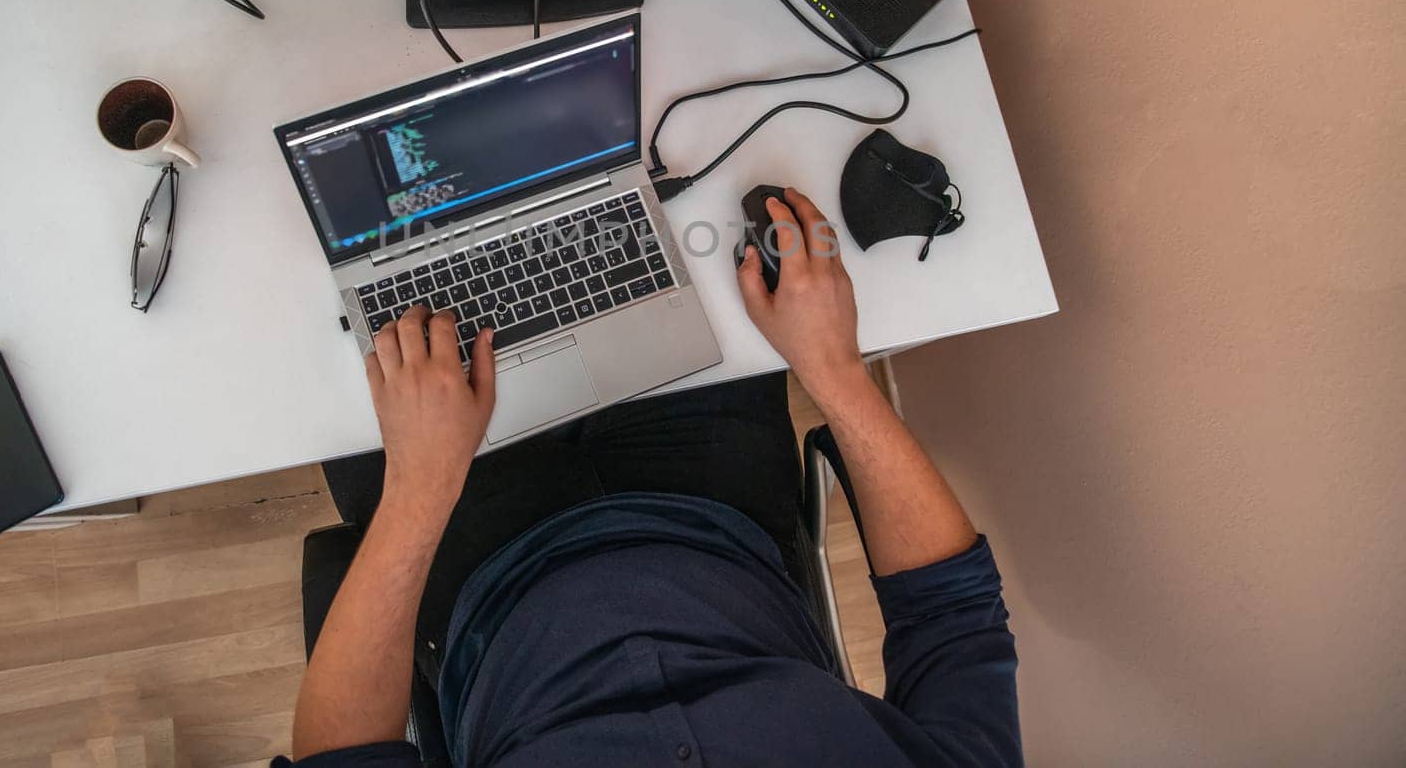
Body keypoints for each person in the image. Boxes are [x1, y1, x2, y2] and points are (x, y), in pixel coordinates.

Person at [284, 188, 1020, 767]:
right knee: (634, 194)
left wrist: (420, 484)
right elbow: (950, 616)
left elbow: (341, 756)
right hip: (712, 503)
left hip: (475, 555)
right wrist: (836, 372)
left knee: (334, 243)